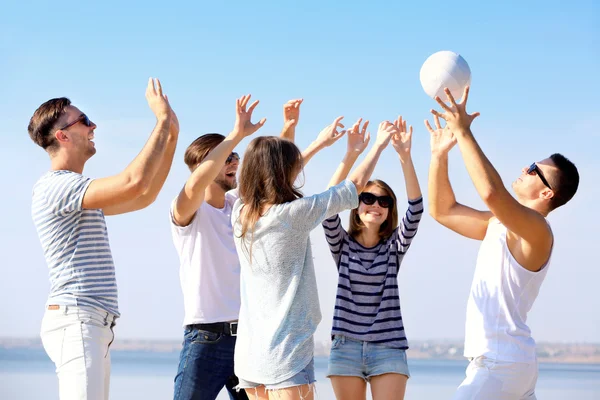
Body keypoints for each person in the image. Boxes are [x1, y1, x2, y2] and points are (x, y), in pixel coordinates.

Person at [29, 78, 179, 400]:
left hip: (92, 323)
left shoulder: (80, 194)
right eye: (84, 121)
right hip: (77, 320)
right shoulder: (57, 187)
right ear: (63, 135)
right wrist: (162, 122)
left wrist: (171, 134)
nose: (93, 125)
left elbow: (144, 196)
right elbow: (134, 182)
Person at [426, 87, 579, 399]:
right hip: (505, 363)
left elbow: (492, 194)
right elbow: (443, 210)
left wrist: (463, 131)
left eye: (535, 170)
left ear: (547, 193)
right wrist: (439, 156)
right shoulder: (499, 224)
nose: (525, 169)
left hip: (500, 364)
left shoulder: (538, 231)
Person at [232, 117, 400, 400]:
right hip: (286, 356)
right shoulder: (293, 215)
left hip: (250, 357)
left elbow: (277, 176)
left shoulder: (240, 213)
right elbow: (354, 185)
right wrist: (378, 146)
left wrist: (321, 145)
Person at [169, 96, 323, 400]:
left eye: (235, 156)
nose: (235, 163)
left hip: (252, 339)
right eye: (227, 158)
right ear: (203, 166)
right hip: (206, 338)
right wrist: (236, 134)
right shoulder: (188, 211)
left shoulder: (240, 207)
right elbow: (191, 187)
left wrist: (290, 129)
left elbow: (275, 177)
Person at [322, 116, 423, 400]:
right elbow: (327, 206)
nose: (376, 205)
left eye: (384, 201)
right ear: (355, 206)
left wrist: (405, 157)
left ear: (390, 210)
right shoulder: (343, 246)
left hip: (388, 347)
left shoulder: (394, 248)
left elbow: (415, 210)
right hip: (346, 346)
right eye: (367, 198)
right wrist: (364, 151)